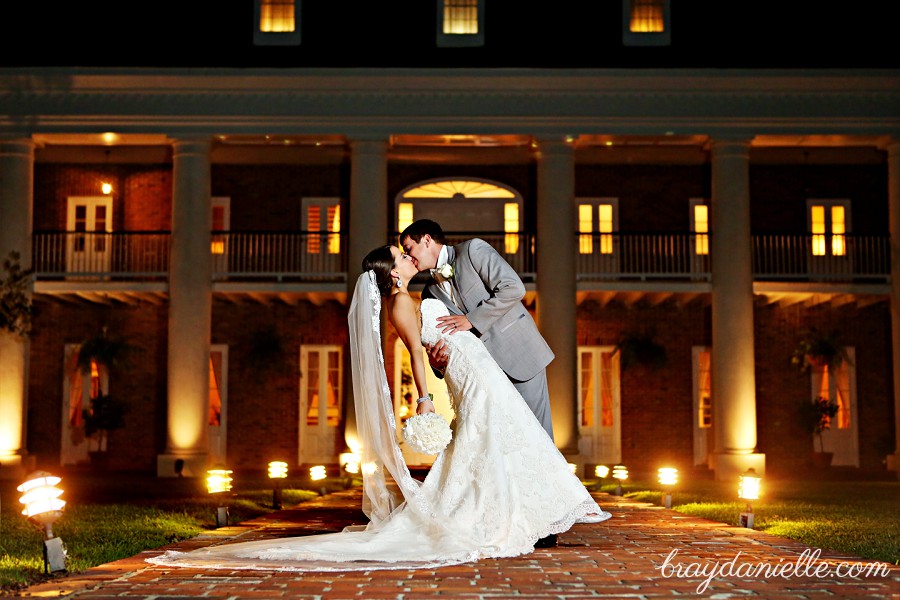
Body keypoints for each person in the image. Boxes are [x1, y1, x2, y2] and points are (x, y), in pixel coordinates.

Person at [146, 246, 610, 573]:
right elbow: (416, 352)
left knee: (496, 445)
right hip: (472, 380)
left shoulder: (415, 296)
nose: (410, 256)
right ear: (392, 272)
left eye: (409, 251)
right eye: (401, 255)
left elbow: (435, 341)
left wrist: (445, 354)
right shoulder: (402, 304)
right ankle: (502, 518)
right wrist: (427, 396)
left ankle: (520, 515)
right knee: (486, 445)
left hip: (479, 374)